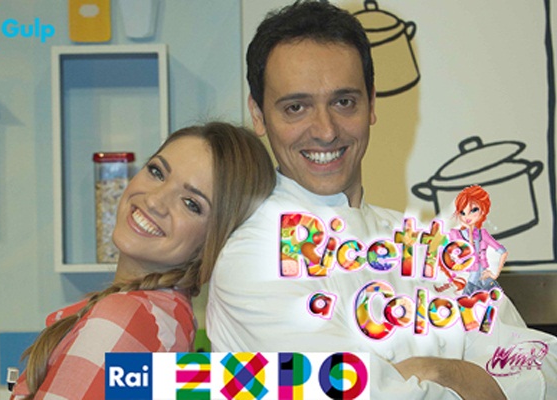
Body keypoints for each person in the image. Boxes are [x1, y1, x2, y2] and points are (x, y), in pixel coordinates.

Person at [206, 2, 556, 399]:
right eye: (296, 108)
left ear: (371, 104)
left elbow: (544, 365)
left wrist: (444, 371)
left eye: (344, 102)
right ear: (258, 115)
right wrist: (485, 384)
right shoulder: (252, 259)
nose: (325, 130)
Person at [10, 122, 275, 400]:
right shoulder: (167, 318)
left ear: (216, 241)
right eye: (157, 172)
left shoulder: (123, 318)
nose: (154, 201)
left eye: (191, 203)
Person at [451, 185, 506, 295]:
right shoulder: (455, 234)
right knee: (464, 301)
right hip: (465, 279)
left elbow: (503, 252)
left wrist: (494, 274)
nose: (467, 217)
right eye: (462, 212)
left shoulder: (483, 234)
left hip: (483, 280)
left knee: (497, 301)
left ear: (483, 210)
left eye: (473, 210)